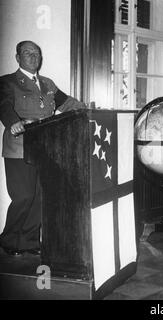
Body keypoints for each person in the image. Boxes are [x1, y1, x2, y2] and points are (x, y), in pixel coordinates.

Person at [0, 40, 86, 256]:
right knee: (23, 195)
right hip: (19, 148)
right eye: (27, 53)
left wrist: (89, 109)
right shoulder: (8, 82)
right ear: (18, 57)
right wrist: (12, 122)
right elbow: (3, 105)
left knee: (41, 196)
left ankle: (29, 242)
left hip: (46, 148)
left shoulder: (47, 83)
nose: (33, 57)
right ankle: (9, 239)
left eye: (37, 53)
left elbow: (67, 102)